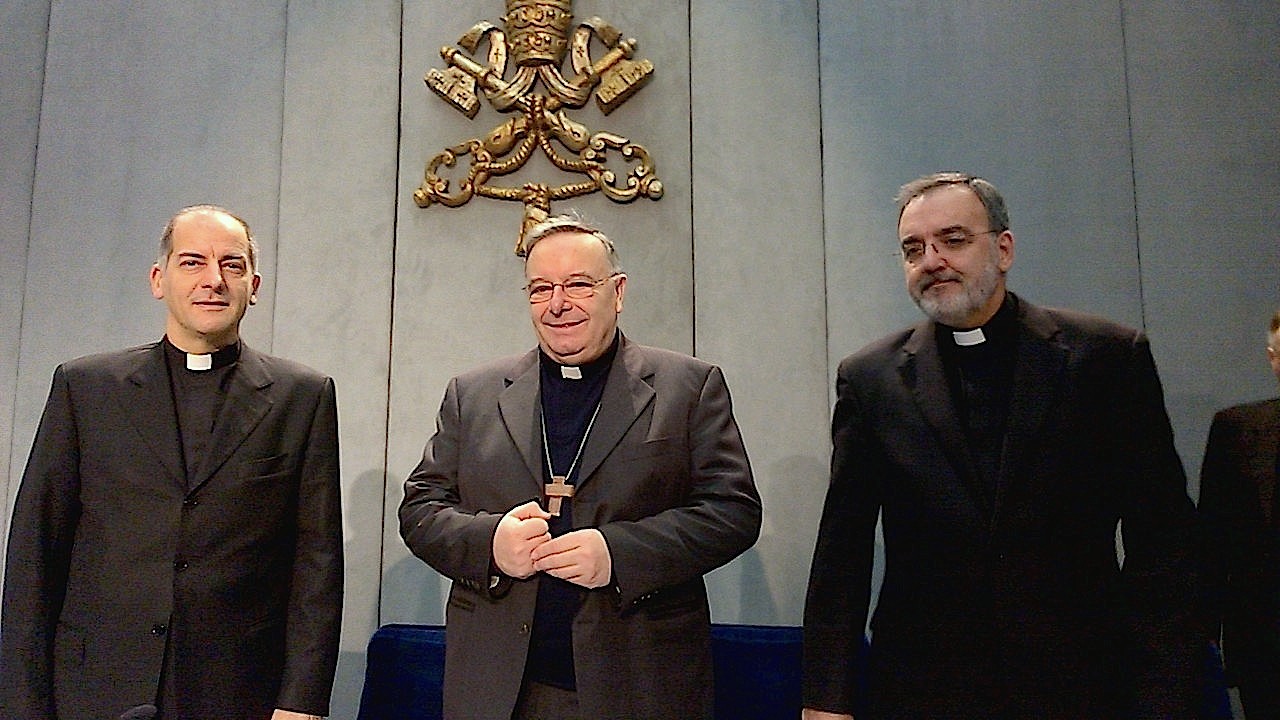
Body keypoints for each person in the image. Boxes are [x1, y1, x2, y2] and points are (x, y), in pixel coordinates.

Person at [802, 172, 1200, 719]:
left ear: (1004, 248)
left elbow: (1163, 542)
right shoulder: (871, 378)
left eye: (953, 240)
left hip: (1083, 683)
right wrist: (826, 699)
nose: (932, 260)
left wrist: (1164, 696)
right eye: (913, 249)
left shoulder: (1105, 357)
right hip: (923, 689)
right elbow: (842, 551)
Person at [398, 213, 761, 719]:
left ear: (618, 291)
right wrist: (490, 544)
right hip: (499, 685)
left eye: (578, 285)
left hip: (639, 682)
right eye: (541, 288)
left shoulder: (688, 388)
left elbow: (733, 512)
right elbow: (420, 509)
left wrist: (618, 553)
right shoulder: (473, 394)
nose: (558, 304)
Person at [0, 205, 344, 720]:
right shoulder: (86, 388)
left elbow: (317, 564)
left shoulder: (303, 397)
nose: (213, 280)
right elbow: (36, 551)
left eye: (231, 265)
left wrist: (301, 702)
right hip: (94, 688)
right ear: (158, 280)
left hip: (237, 692)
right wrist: (21, 704)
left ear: (253, 285)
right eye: (192, 262)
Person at [1198, 310, 1280, 719]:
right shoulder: (1236, 431)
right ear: (1272, 357)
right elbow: (1211, 540)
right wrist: (1203, 636)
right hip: (1265, 649)